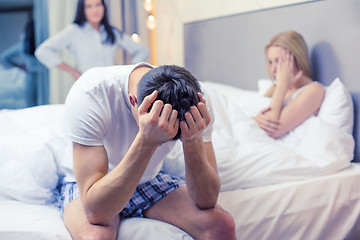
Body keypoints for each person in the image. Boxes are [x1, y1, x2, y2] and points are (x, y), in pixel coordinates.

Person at [60, 62, 236, 240]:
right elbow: (96, 213)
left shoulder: (196, 102)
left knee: (222, 226)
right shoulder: (91, 92)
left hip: (148, 180)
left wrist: (193, 140)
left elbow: (207, 200)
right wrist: (146, 141)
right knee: (95, 238)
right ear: (133, 101)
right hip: (93, 184)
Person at [35, 0, 149, 81]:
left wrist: (128, 71)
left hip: (111, 85)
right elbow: (42, 51)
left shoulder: (112, 32)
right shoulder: (74, 31)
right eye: (89, 6)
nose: (95, 10)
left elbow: (142, 51)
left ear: (104, 6)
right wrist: (72, 71)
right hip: (87, 86)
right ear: (82, 9)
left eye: (98, 4)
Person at [252, 30, 325, 139]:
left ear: (296, 59)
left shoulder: (314, 90)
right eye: (271, 62)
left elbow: (271, 130)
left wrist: (282, 85)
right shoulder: (273, 89)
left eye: (278, 61)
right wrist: (256, 119)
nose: (273, 69)